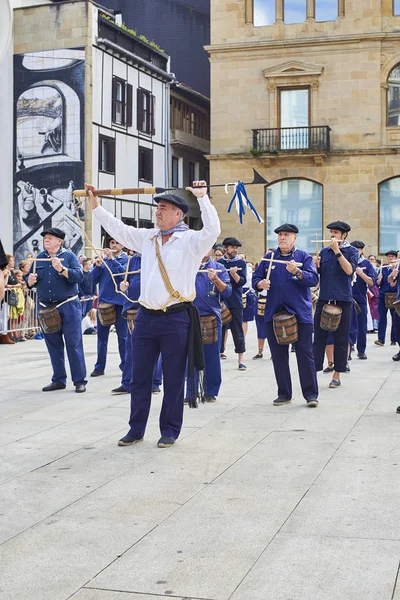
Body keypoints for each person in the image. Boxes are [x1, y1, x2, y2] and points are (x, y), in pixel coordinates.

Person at [85, 180, 220, 448]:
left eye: (164, 208)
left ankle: (169, 430)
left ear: (178, 214)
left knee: (172, 378)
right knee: (140, 376)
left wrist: (202, 198)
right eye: (157, 207)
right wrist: (96, 206)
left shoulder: (192, 241)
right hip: (145, 316)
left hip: (176, 317)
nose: (157, 212)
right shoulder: (147, 237)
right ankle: (136, 429)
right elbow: (119, 229)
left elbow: (213, 229)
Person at [252, 223, 319, 407]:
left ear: (294, 238)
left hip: (300, 313)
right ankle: (284, 393)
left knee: (305, 355)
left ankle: (311, 394)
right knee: (278, 356)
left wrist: (297, 271)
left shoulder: (303, 257)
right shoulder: (269, 257)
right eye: (280, 234)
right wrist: (260, 285)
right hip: (274, 312)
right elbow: (255, 279)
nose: (282, 237)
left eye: (286, 235)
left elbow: (313, 279)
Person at [26, 227, 87, 393]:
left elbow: (79, 276)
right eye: (45, 237)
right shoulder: (39, 258)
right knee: (53, 345)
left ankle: (79, 380)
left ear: (59, 241)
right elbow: (30, 280)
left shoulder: (69, 256)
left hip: (68, 305)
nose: (46, 239)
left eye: (50, 237)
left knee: (73, 343)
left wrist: (62, 269)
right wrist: (29, 280)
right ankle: (59, 379)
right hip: (47, 307)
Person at [313, 221, 359, 389]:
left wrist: (337, 251)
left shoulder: (352, 251)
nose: (332, 235)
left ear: (344, 235)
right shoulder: (324, 252)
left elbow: (349, 270)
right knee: (318, 336)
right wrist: (316, 266)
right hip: (324, 298)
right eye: (331, 232)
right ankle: (314, 369)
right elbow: (319, 276)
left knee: (341, 338)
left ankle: (337, 373)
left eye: (336, 233)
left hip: (343, 299)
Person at [185, 250, 231, 404]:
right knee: (189, 356)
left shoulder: (218, 267)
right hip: (189, 315)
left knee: (211, 356)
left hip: (211, 316)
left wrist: (216, 279)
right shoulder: (187, 265)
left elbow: (228, 291)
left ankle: (210, 391)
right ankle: (190, 391)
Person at [115, 252, 163, 395]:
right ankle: (127, 382)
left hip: (153, 307)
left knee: (155, 347)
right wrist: (124, 286)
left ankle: (155, 382)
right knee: (130, 347)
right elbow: (126, 280)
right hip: (133, 307)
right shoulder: (133, 259)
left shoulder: (159, 256)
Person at [90, 239, 128, 378]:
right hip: (104, 303)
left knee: (123, 338)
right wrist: (98, 267)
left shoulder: (126, 259)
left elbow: (122, 275)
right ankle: (99, 367)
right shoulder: (103, 260)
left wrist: (111, 259)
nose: (114, 245)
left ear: (122, 245)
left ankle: (125, 365)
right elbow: (93, 280)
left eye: (117, 243)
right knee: (101, 338)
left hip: (120, 303)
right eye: (112, 243)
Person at [217, 237, 247, 370]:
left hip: (235, 300)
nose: (234, 250)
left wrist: (235, 275)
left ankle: (241, 359)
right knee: (219, 330)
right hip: (221, 300)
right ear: (225, 248)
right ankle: (218, 353)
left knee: (237, 330)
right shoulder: (219, 263)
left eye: (236, 248)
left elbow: (242, 281)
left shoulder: (241, 263)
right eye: (232, 247)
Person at [349, 240, 376, 359]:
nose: (356, 252)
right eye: (353, 249)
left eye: (358, 250)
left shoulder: (366, 263)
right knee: (347, 326)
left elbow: (372, 282)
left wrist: (361, 274)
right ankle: (347, 351)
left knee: (362, 325)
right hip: (347, 298)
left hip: (360, 298)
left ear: (362, 251)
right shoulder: (346, 262)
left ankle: (361, 350)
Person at [375, 251, 398, 346]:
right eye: (389, 257)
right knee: (382, 318)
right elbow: (377, 284)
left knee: (395, 318)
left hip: (394, 294)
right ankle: (381, 339)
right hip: (383, 295)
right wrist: (379, 279)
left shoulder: (397, 268)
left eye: (392, 256)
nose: (390, 258)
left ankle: (394, 339)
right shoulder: (383, 269)